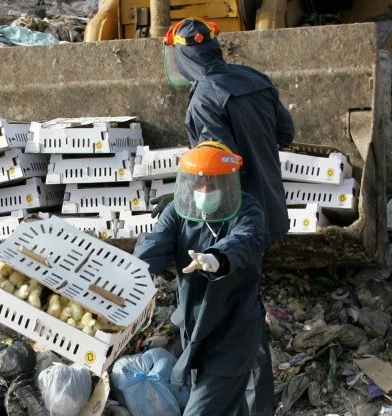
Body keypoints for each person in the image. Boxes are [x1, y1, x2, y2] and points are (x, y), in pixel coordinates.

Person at [153, 17, 296, 415]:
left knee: (230, 315)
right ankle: (253, 404)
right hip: (269, 207)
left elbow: (214, 174)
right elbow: (285, 131)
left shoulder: (204, 99)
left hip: (236, 220)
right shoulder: (254, 78)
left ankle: (226, 401)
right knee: (245, 305)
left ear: (183, 57)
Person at [135, 142, 265, 415]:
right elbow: (154, 245)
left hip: (232, 336)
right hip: (194, 332)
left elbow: (246, 240)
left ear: (228, 184)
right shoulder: (179, 212)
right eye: (199, 185)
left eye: (213, 185)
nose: (205, 192)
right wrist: (133, 276)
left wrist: (217, 258)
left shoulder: (247, 210)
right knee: (230, 406)